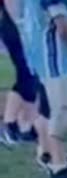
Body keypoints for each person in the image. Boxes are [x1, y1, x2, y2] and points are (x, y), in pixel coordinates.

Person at [19, 0, 67, 178]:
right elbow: (62, 27)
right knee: (63, 115)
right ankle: (59, 171)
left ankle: (47, 154)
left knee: (47, 112)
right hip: (53, 63)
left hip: (39, 60)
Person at [0, 0, 39, 147]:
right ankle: (11, 125)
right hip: (14, 25)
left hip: (16, 24)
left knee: (29, 74)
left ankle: (24, 126)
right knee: (27, 72)